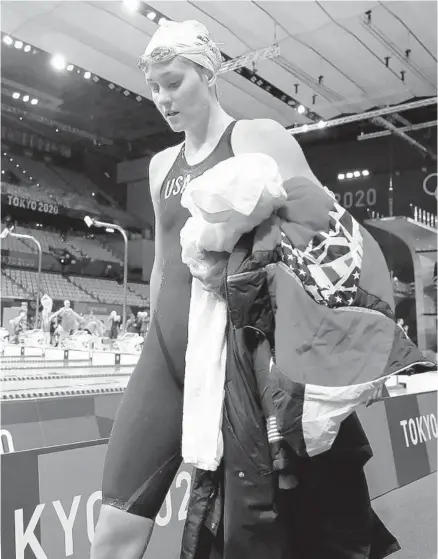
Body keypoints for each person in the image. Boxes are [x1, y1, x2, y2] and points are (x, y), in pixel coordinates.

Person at [90, 20, 325, 559]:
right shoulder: (159, 167)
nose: (162, 99)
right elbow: (163, 268)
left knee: (246, 536)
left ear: (208, 72)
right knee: (113, 529)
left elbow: (322, 234)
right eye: (154, 88)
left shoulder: (255, 137)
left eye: (173, 82)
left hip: (233, 363)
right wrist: (154, 342)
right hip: (166, 359)